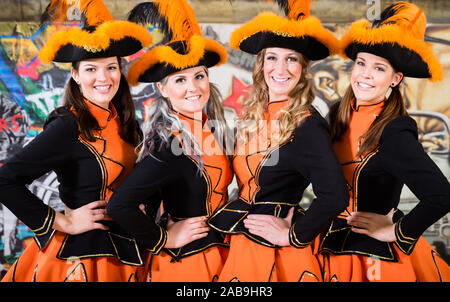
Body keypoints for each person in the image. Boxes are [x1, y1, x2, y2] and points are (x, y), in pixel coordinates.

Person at [0, 0, 152, 282]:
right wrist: (65, 222)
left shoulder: (129, 125)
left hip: (131, 252)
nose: (103, 78)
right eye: (91, 69)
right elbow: (6, 179)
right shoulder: (67, 125)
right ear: (75, 75)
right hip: (83, 259)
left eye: (111, 67)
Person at [207, 0, 349, 282]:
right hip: (238, 237)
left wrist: (294, 235)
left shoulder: (308, 124)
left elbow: (335, 195)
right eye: (272, 57)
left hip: (275, 252)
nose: (280, 68)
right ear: (261, 64)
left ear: (303, 68)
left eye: (291, 58)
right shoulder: (255, 113)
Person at [319, 1, 450, 282]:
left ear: (395, 79)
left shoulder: (394, 130)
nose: (365, 74)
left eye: (379, 68)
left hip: (369, 256)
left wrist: (394, 230)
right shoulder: (335, 115)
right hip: (324, 238)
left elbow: (441, 195)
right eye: (361, 63)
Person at [107, 0, 233, 282]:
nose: (193, 88)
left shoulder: (211, 128)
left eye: (198, 76)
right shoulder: (169, 144)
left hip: (221, 253)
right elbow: (120, 205)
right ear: (163, 88)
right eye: (180, 80)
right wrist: (164, 239)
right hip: (189, 264)